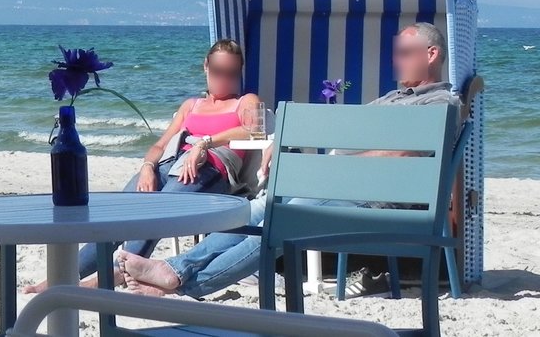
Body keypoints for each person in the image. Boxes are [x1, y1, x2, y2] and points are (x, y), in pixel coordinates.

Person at [118, 22, 459, 298]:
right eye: (395, 53)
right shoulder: (392, 99)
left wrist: (335, 168)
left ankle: (182, 281)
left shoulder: (441, 103)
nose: (396, 60)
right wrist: (281, 139)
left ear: (431, 54)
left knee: (282, 218)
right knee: (253, 210)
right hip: (348, 190)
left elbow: (401, 153)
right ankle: (176, 272)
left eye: (404, 53)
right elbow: (343, 131)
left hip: (382, 203)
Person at [24, 39, 258, 293]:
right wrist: (147, 166)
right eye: (217, 71)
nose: (223, 78)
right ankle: (65, 275)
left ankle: (112, 275)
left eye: (231, 73)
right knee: (117, 214)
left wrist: (205, 144)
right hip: (169, 166)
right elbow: (160, 146)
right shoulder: (191, 105)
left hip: (207, 171)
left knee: (155, 212)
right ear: (205, 66)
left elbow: (254, 128)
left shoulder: (244, 101)